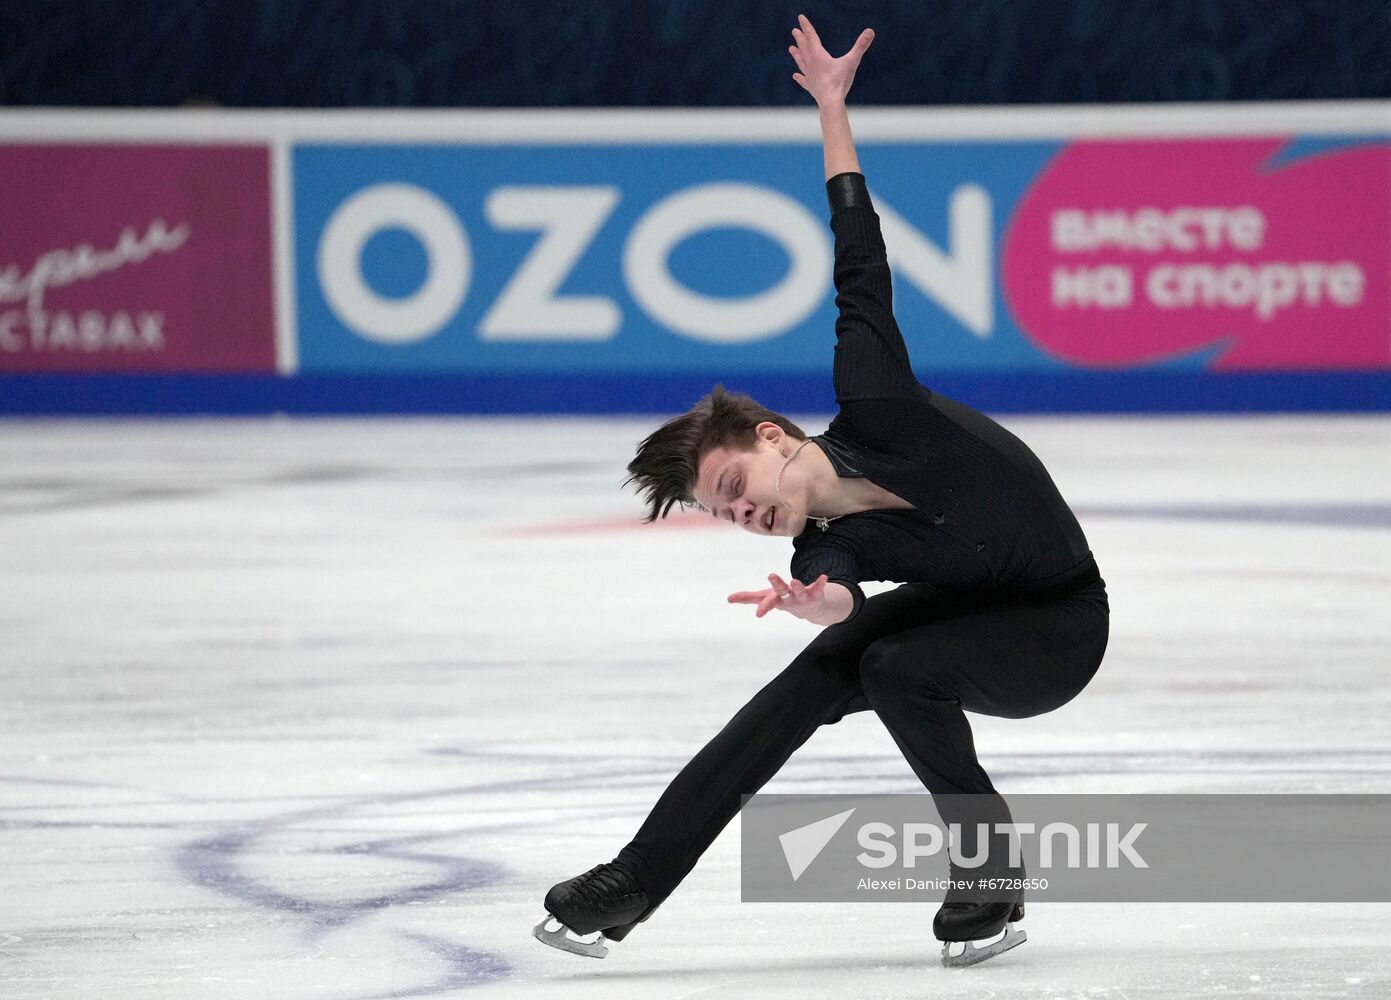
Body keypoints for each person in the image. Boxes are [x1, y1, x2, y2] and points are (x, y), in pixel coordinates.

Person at [533, 15, 1109, 968]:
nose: (742, 513)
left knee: (892, 670)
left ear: (772, 436)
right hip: (968, 607)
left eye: (733, 485)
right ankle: (633, 880)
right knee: (816, 676)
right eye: (725, 516)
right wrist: (825, 604)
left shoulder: (876, 400)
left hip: (1058, 626)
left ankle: (990, 876)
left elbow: (858, 259)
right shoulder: (816, 546)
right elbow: (840, 582)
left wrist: (833, 110)